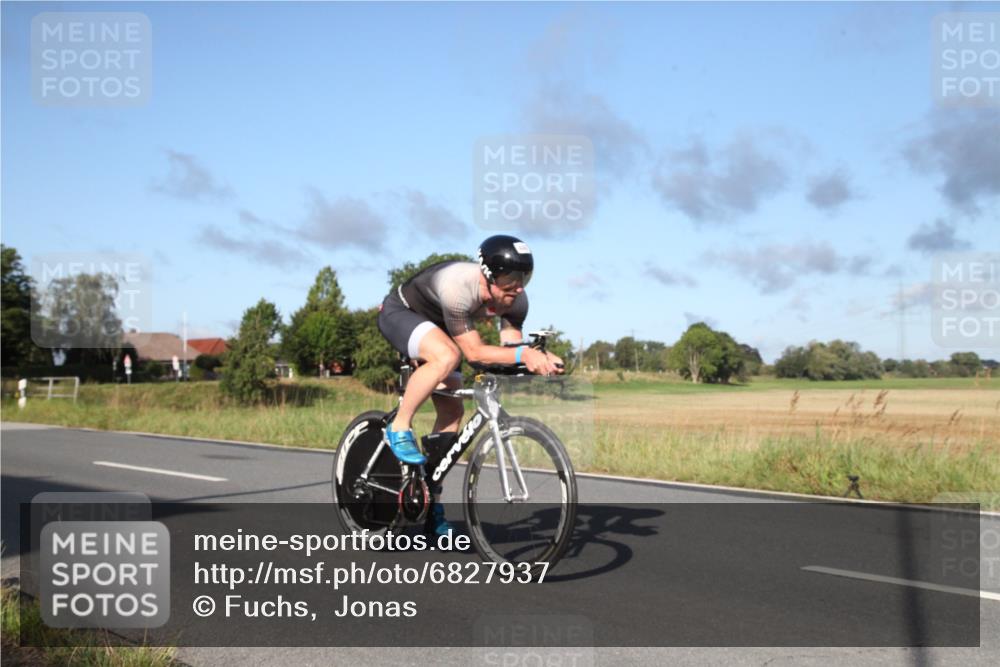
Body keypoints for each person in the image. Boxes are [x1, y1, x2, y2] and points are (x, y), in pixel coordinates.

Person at [376, 235, 564, 535]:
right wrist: (523, 354)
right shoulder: (458, 288)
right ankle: (399, 425)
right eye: (510, 279)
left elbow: (509, 349)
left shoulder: (517, 300)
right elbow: (474, 353)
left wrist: (537, 358)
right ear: (487, 275)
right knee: (447, 356)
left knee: (452, 411)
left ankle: (430, 503)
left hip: (441, 328)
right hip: (402, 313)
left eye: (525, 277)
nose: (518, 286)